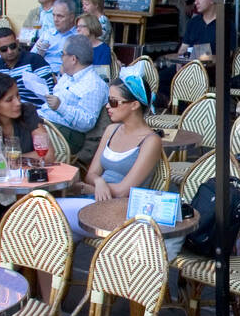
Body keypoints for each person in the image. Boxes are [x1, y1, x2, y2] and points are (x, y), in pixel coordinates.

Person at [56, 74, 163, 241]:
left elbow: (123, 191)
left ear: (134, 105)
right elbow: (91, 174)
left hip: (121, 211)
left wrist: (87, 188)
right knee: (54, 237)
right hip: (96, 202)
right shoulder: (111, 130)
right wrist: (99, 183)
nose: (107, 106)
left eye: (114, 102)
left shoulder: (151, 141)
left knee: (47, 213)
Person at [38, 33, 108, 152]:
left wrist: (61, 107)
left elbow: (87, 122)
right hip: (47, 121)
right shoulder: (68, 76)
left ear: (73, 59)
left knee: (21, 130)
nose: (61, 58)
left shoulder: (94, 85)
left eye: (63, 54)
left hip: (67, 135)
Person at [0, 72, 54, 165]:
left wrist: (13, 159)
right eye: (9, 100)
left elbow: (48, 155)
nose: (18, 103)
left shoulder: (26, 112)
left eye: (17, 95)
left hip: (28, 175)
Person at [0, 26, 55, 108]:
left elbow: (50, 93)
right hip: (9, 112)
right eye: (4, 49)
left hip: (35, 111)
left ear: (17, 43)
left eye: (12, 46)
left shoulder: (34, 60)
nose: (9, 51)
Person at [34, 0, 77, 75]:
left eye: (60, 16)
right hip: (42, 74)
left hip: (65, 77)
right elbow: (32, 59)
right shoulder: (47, 34)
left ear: (71, 17)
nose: (55, 19)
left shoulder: (78, 36)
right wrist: (39, 53)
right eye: (53, 15)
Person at [76, 12, 113, 78]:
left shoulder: (103, 49)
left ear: (91, 26)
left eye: (81, 26)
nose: (78, 29)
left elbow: (103, 76)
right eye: (77, 27)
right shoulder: (76, 47)